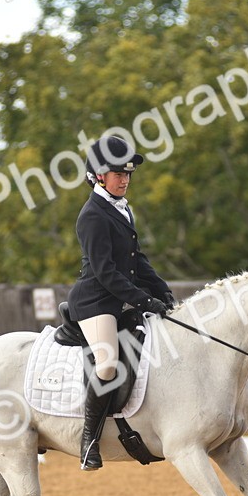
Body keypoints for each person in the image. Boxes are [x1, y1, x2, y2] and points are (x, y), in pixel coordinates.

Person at [68, 135, 174, 471]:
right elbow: (106, 273)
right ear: (99, 175)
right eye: (118, 173)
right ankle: (89, 440)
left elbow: (137, 260)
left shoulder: (123, 208)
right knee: (108, 364)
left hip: (120, 299)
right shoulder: (92, 216)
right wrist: (145, 300)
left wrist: (163, 293)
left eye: (128, 174)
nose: (125, 179)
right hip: (96, 302)